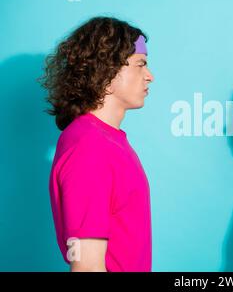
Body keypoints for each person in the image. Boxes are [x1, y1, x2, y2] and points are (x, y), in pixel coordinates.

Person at [39, 16, 154, 272]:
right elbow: (88, 267)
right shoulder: (89, 147)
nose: (150, 76)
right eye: (140, 64)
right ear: (107, 69)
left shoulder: (106, 141)